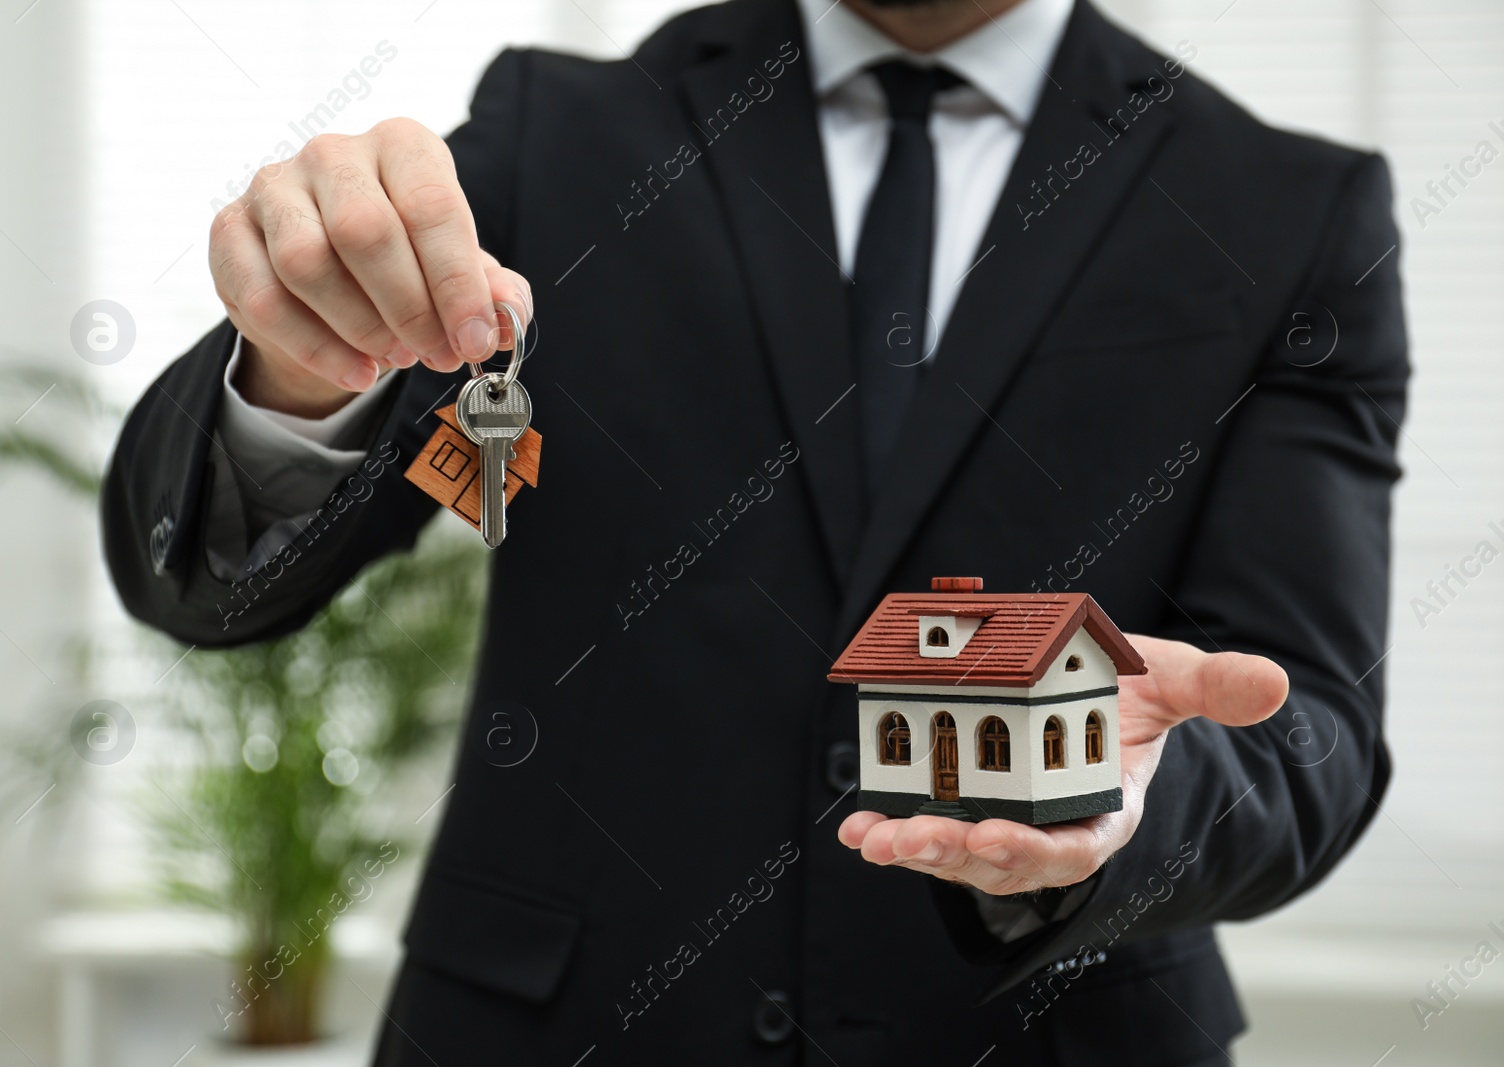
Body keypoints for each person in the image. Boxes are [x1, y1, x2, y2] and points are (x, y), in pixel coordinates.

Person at [101, 0, 1407, 1062]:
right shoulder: (555, 133)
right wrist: (303, 372)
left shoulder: (1288, 210)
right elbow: (211, 583)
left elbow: (1310, 736)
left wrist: (1129, 802)